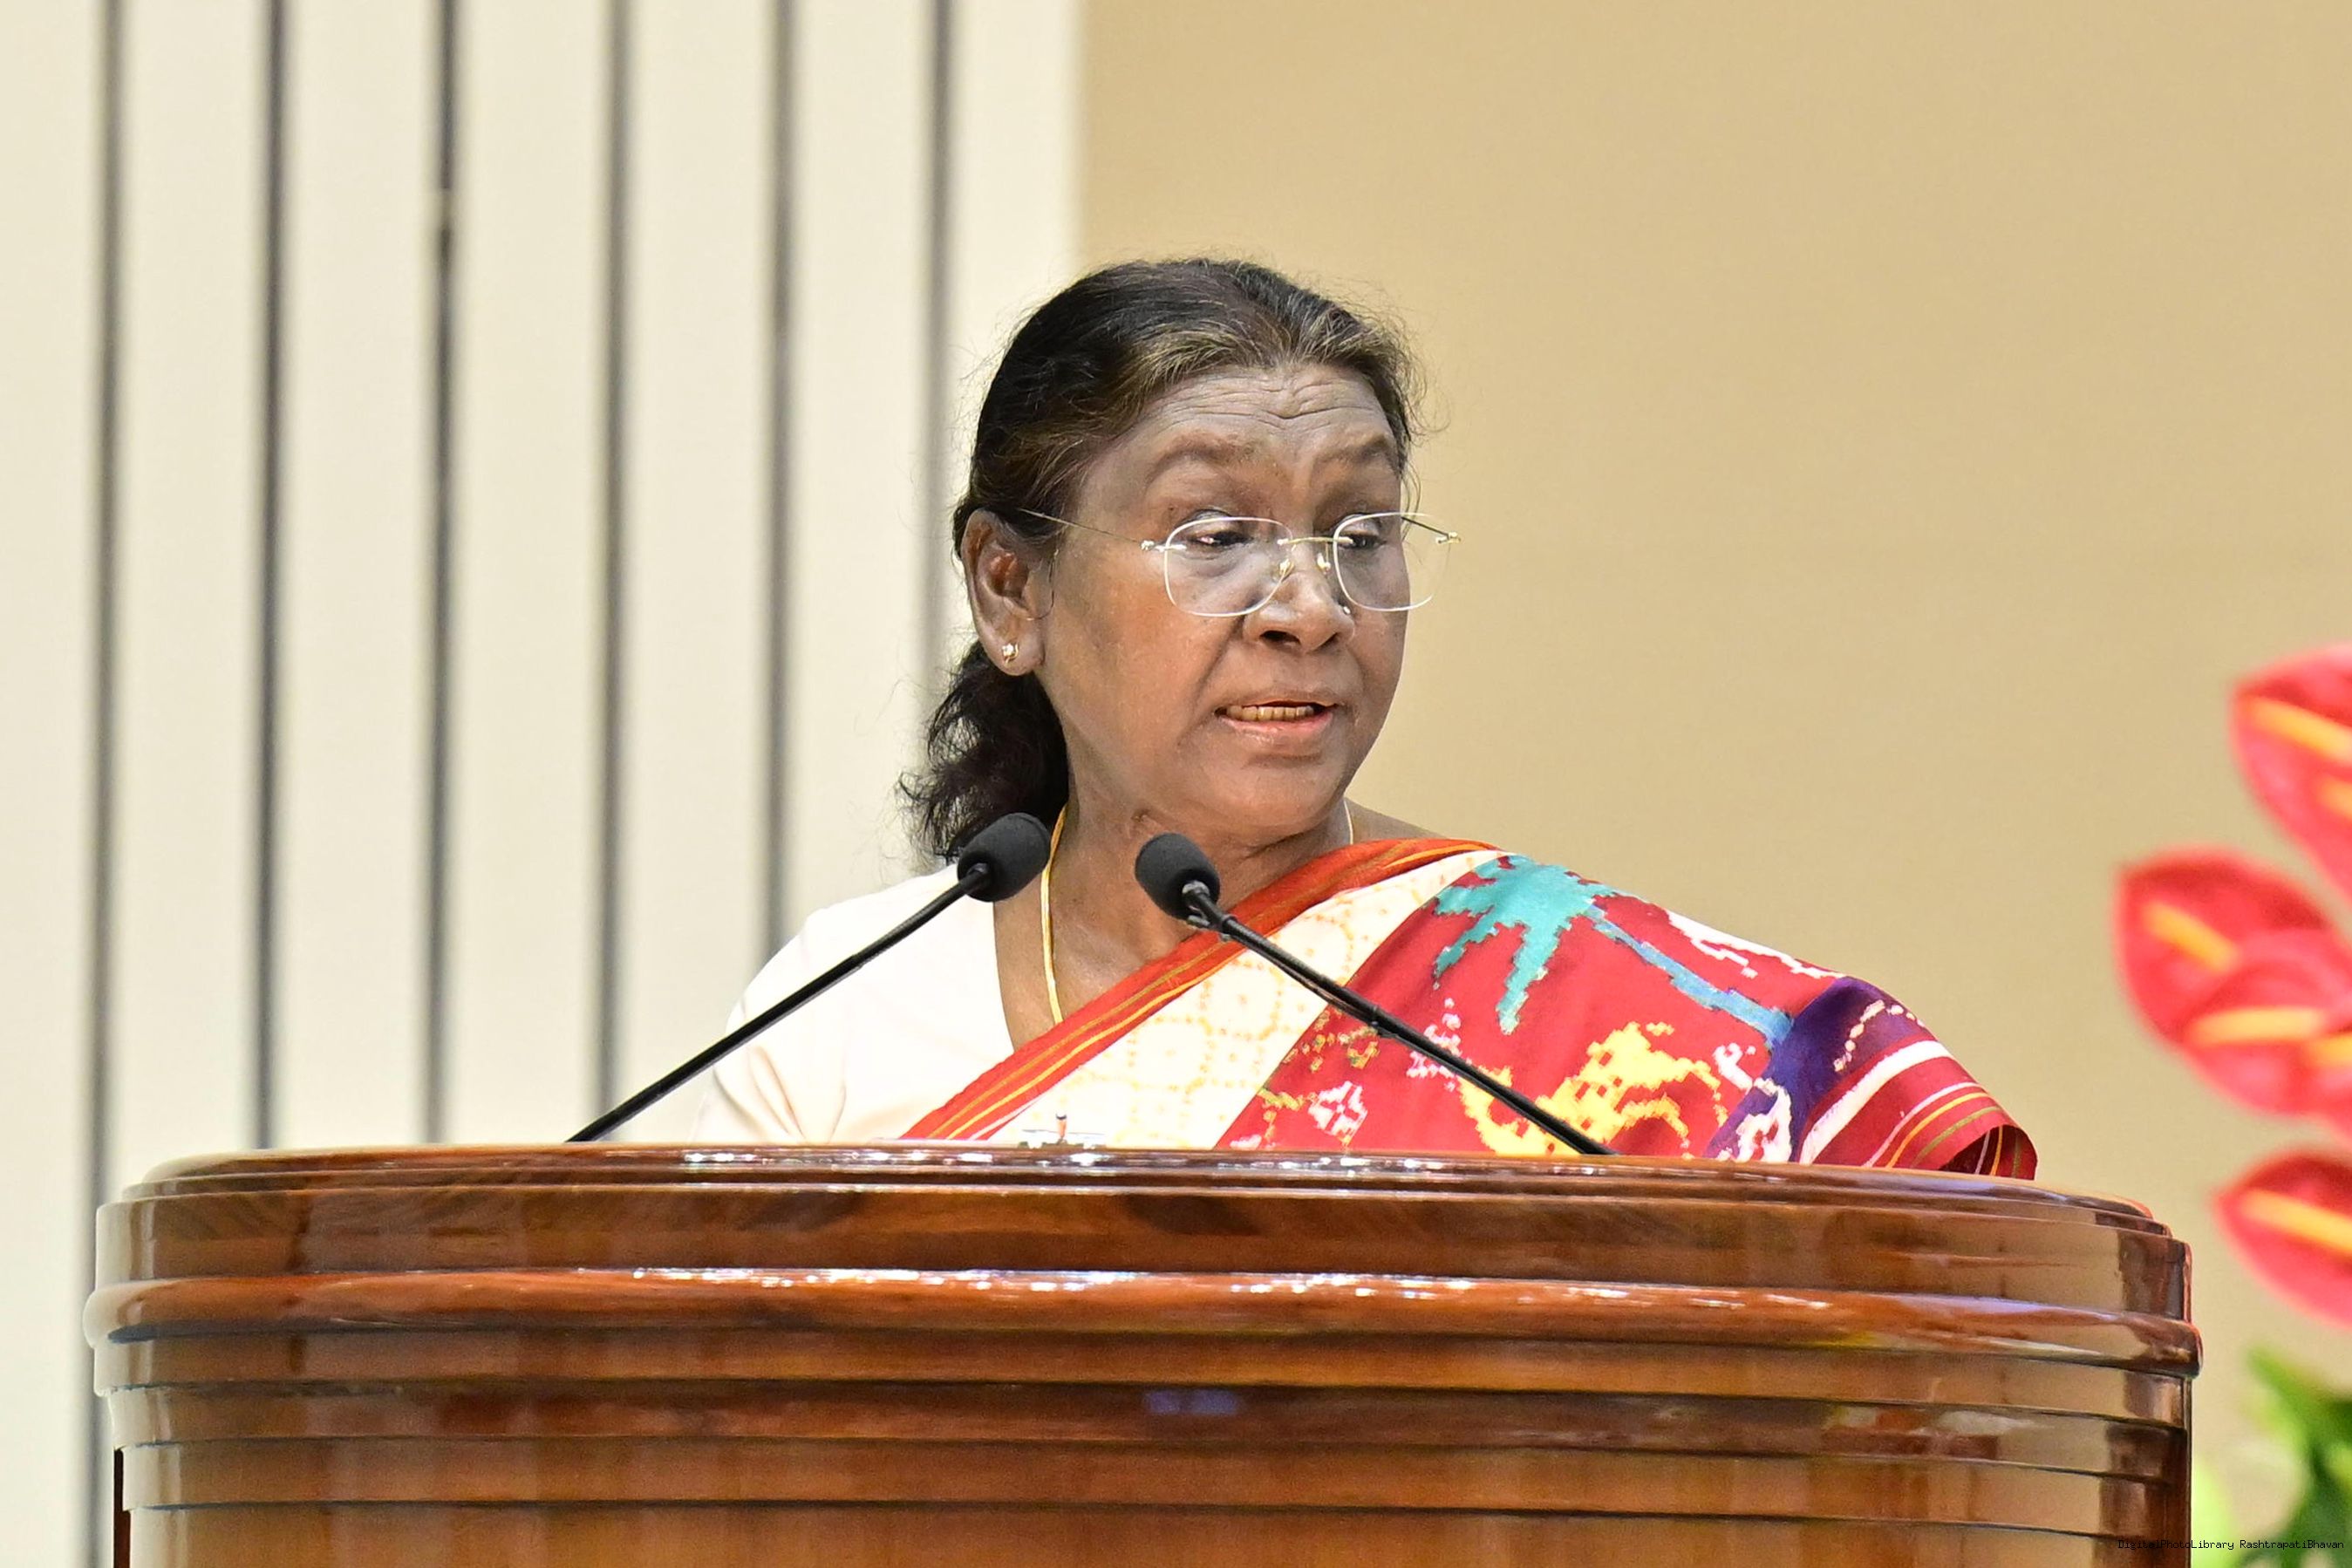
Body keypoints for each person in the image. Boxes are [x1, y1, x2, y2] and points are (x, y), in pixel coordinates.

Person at [692, 258, 2033, 1176]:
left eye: (1359, 532)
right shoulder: (845, 1013)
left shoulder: (1567, 1005)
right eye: (1213, 533)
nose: (1311, 608)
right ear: (1010, 587)